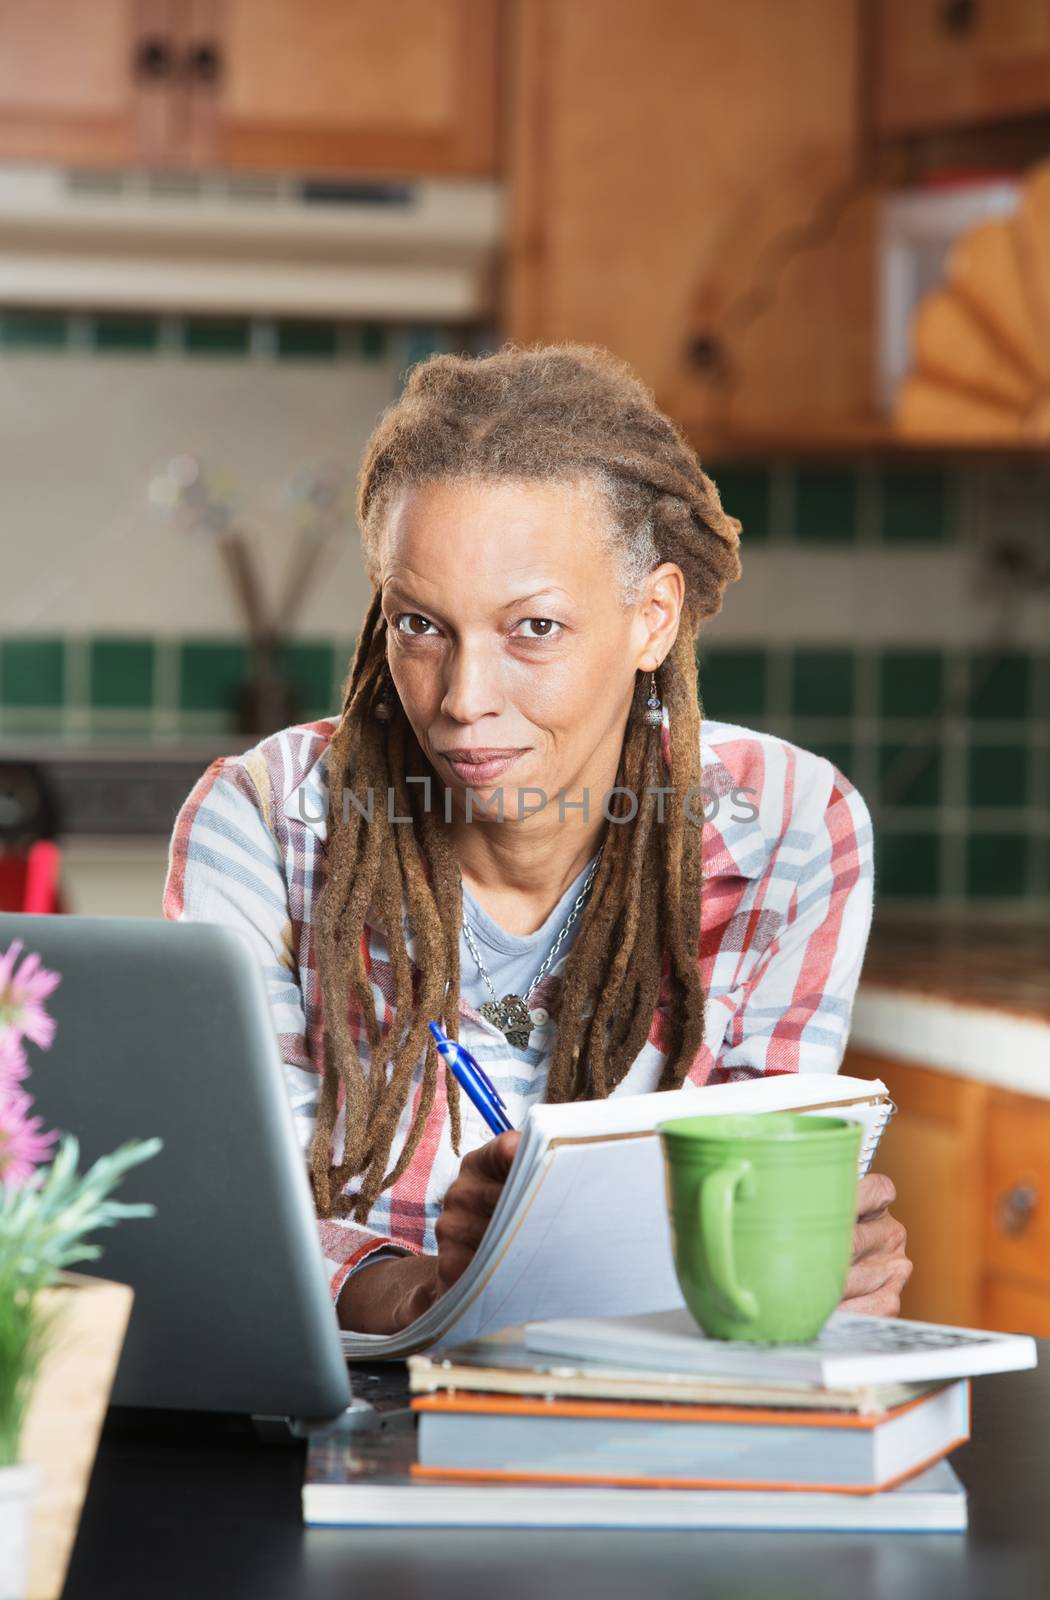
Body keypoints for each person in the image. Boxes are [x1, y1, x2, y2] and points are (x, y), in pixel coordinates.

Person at [163, 342, 911, 1336]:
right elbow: (233, 1215)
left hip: (651, 1415)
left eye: (535, 629)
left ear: (652, 618)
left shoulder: (788, 829)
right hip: (346, 1409)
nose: (464, 700)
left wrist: (809, 1255)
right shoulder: (261, 823)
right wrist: (428, 1290)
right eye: (421, 625)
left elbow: (751, 1202)